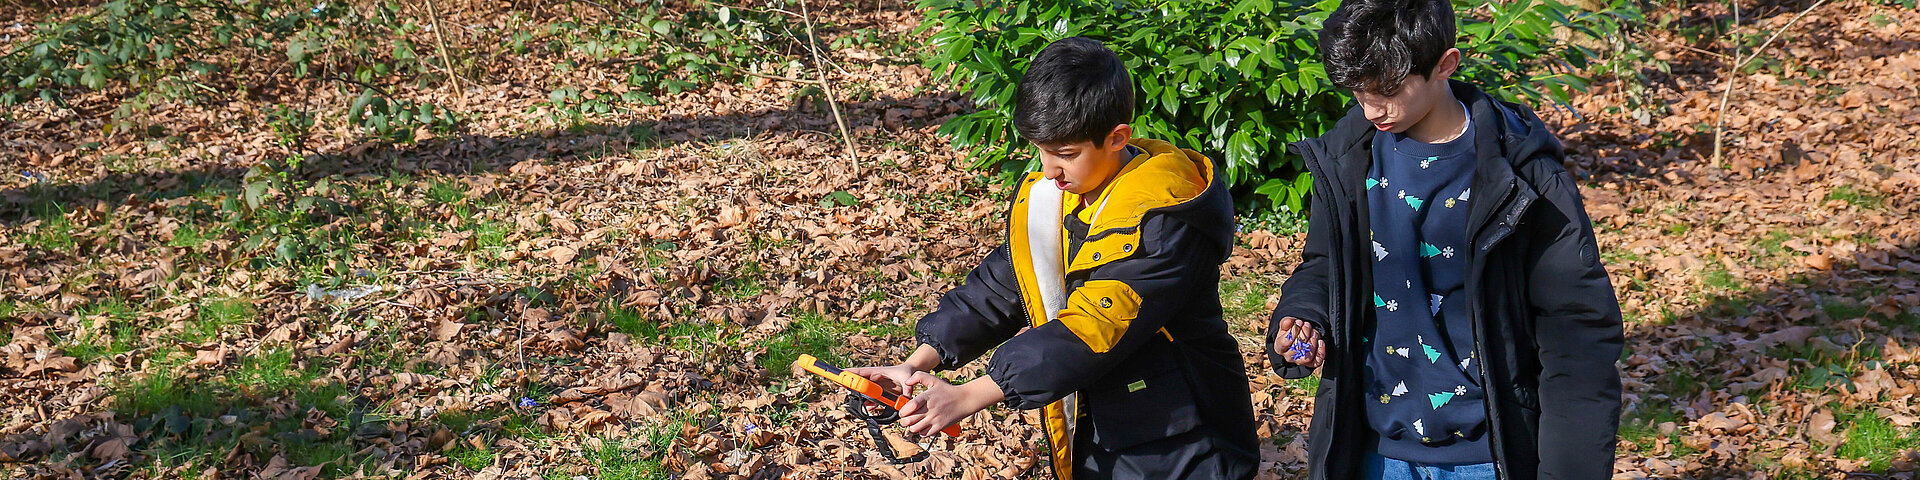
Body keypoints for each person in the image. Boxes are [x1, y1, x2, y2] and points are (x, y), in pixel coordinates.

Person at [846, 36, 1257, 480]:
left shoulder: (1167, 215)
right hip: (1101, 424)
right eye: (1041, 150)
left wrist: (974, 393)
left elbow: (1097, 324)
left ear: (1117, 137)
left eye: (1065, 154)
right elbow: (1000, 288)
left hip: (1187, 433)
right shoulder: (1054, 199)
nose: (1049, 170)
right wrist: (918, 361)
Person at [1265, 0, 1625, 478]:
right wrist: (1304, 315)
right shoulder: (1347, 157)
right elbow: (1326, 264)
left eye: (1387, 90)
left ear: (1445, 65)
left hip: (1488, 453)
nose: (1371, 108)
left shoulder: (1523, 174)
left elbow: (1576, 329)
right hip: (1374, 448)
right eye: (1356, 91)